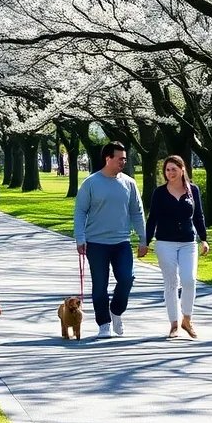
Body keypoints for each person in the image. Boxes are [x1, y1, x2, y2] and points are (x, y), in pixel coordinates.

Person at [73, 141, 148, 338]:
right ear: (108, 158)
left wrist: (143, 238)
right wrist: (80, 238)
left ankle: (116, 311)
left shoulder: (129, 183)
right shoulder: (91, 183)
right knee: (100, 286)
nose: (123, 161)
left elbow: (137, 212)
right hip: (96, 243)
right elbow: (80, 212)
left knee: (127, 278)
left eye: (125, 158)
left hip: (122, 242)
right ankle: (104, 323)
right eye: (120, 158)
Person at [145, 155, 209, 339]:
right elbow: (152, 219)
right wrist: (146, 241)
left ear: (182, 169)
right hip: (165, 243)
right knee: (172, 283)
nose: (170, 173)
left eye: (174, 169)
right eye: (167, 170)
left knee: (189, 280)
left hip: (188, 242)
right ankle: (174, 323)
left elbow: (199, 216)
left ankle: (187, 319)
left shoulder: (193, 190)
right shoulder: (159, 192)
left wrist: (203, 239)